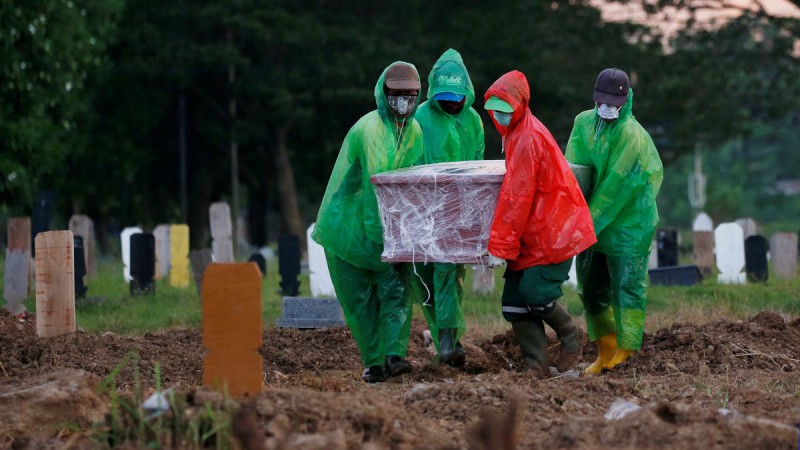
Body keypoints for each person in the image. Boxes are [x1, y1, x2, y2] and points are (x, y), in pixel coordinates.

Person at [312, 61, 424, 383]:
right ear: (384, 93)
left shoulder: (412, 130)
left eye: (411, 95)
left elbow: (411, 181)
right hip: (348, 228)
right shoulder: (372, 129)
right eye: (397, 94)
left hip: (384, 229)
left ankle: (393, 356)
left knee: (396, 291)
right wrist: (384, 240)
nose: (404, 101)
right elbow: (376, 190)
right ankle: (374, 363)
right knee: (360, 300)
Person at [482, 70, 597, 378]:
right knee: (514, 305)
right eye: (495, 110)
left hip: (554, 233)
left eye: (506, 110)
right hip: (536, 234)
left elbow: (515, 198)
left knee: (535, 293)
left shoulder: (527, 138)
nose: (500, 116)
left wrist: (499, 246)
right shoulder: (516, 134)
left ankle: (571, 337)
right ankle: (537, 367)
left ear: (520, 106)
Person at [565, 68, 663, 375]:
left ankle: (627, 350)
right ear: (595, 97)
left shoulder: (631, 135)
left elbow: (614, 191)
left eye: (614, 101)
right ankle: (605, 349)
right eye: (602, 100)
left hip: (628, 225)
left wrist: (582, 226)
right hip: (591, 220)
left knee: (627, 288)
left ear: (625, 100)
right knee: (591, 287)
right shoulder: (583, 123)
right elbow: (575, 171)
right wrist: (570, 213)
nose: (607, 106)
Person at [407, 48, 485, 367]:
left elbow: (479, 164)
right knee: (433, 274)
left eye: (456, 97)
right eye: (445, 97)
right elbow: (410, 163)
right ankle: (446, 339)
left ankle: (448, 339)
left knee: (452, 274)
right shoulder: (421, 117)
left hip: (462, 209)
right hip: (425, 210)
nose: (451, 103)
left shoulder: (474, 121)